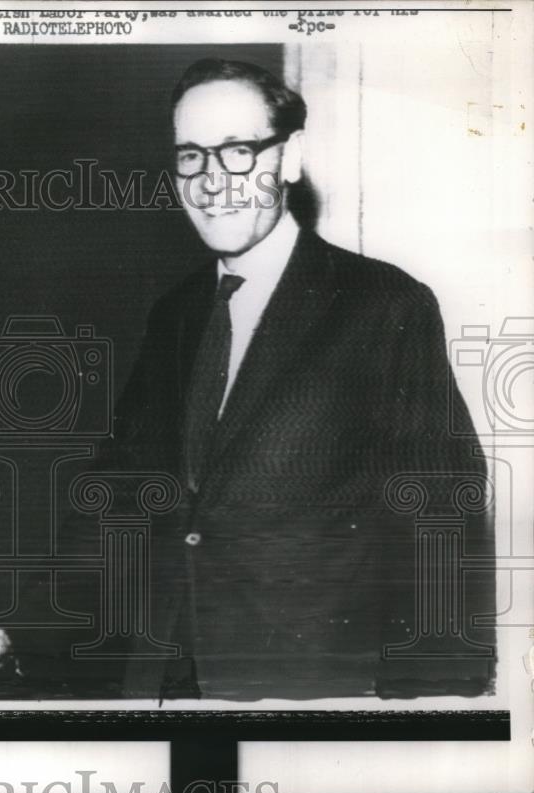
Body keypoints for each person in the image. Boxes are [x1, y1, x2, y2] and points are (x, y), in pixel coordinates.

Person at [114, 59, 495, 700]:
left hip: (316, 686)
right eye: (190, 157)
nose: (212, 182)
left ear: (289, 158)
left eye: (238, 151)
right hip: (169, 680)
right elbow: (120, 488)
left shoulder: (384, 304)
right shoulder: (173, 314)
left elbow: (441, 514)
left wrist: (430, 702)